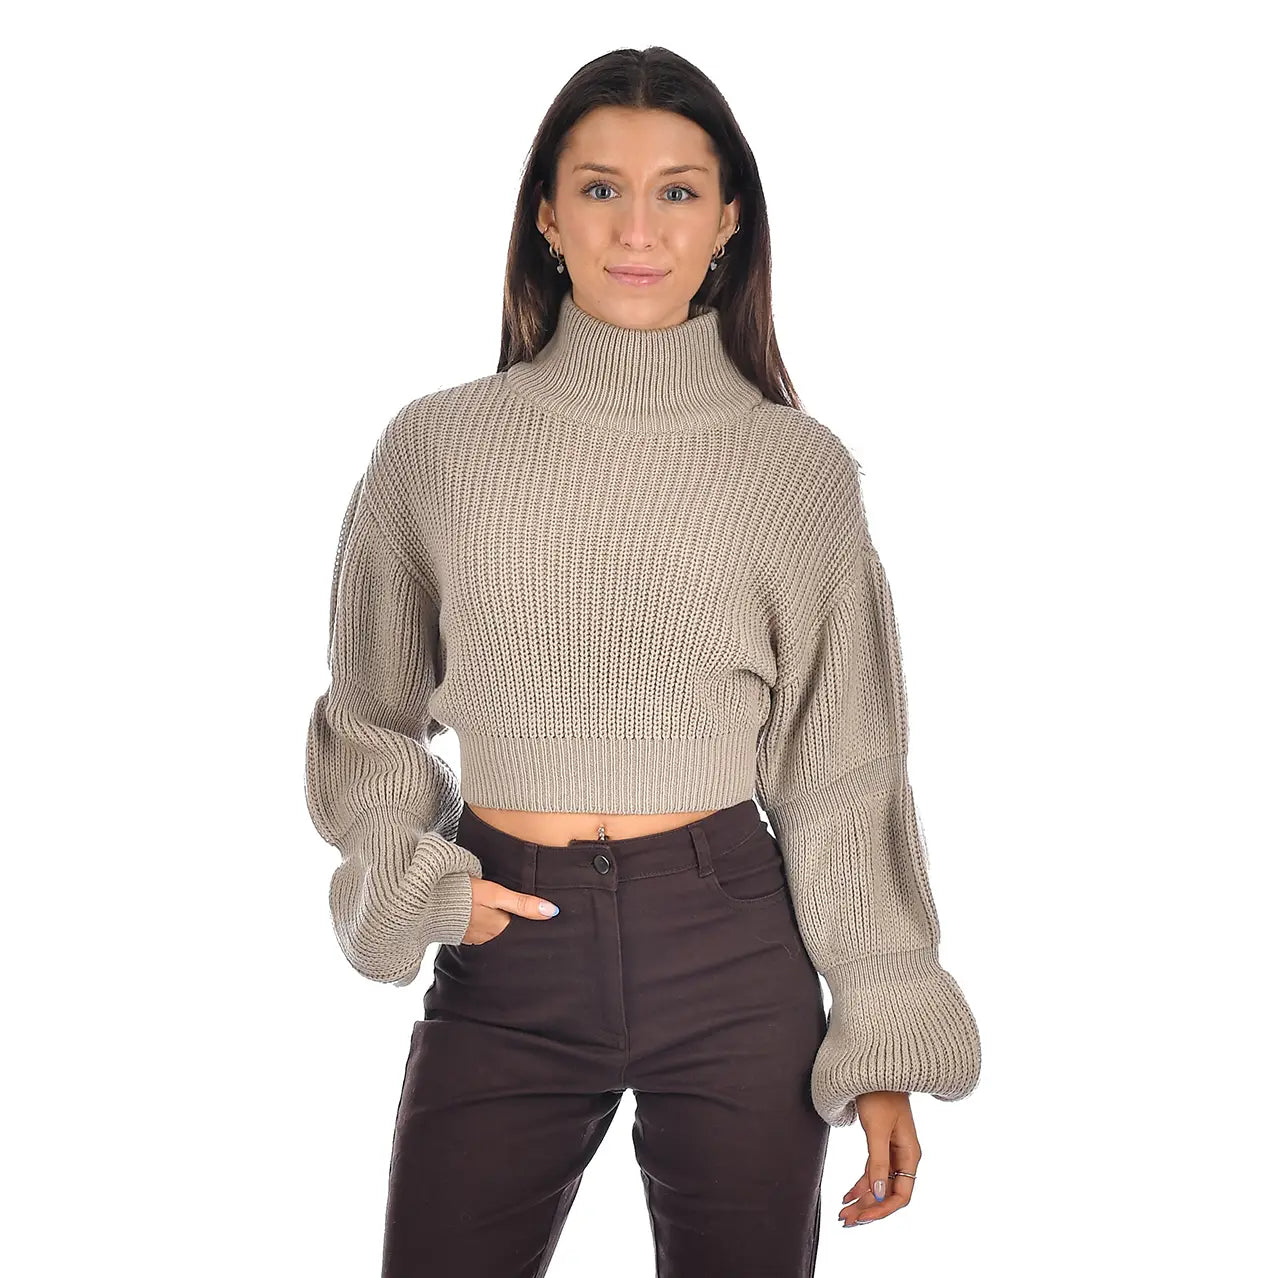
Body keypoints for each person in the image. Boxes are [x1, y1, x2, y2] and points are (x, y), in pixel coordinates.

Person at [304, 45, 981, 1278]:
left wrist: (880, 1027)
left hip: (731, 948)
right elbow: (367, 717)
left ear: (726, 222)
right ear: (546, 217)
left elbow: (841, 771)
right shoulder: (438, 449)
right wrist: (412, 877)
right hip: (506, 947)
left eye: (676, 191)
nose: (636, 228)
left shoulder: (794, 470)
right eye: (599, 188)